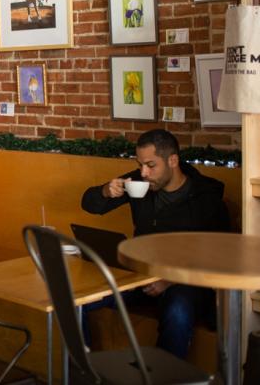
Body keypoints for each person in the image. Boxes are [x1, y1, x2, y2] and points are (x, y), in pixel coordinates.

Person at [80, 129, 230, 359]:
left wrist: (170, 279)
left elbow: (220, 253)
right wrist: (106, 191)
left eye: (151, 165)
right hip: (140, 274)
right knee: (77, 300)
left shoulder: (205, 197)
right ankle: (83, 372)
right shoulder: (140, 182)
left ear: (173, 160)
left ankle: (164, 376)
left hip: (184, 281)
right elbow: (89, 205)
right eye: (140, 164)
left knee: (178, 311)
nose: (144, 172)